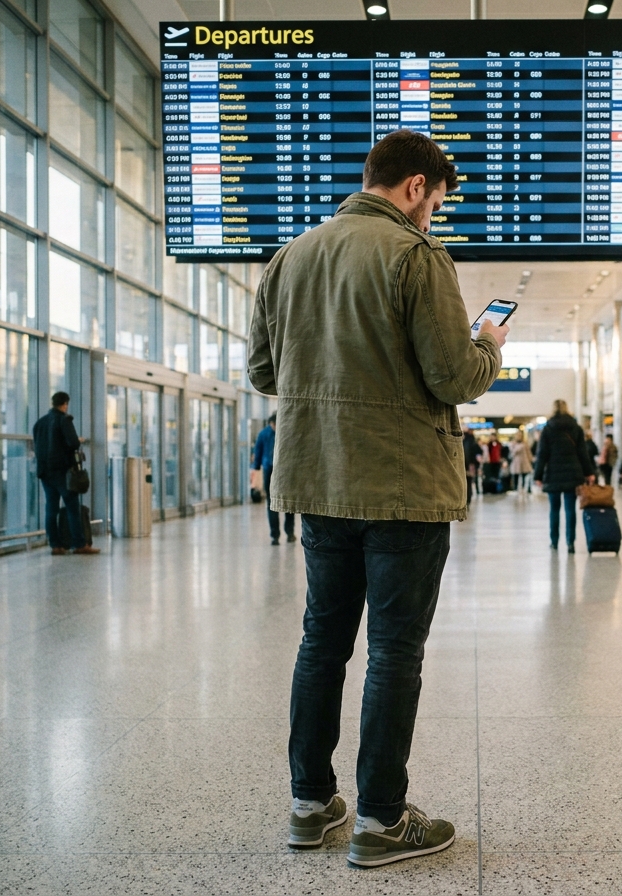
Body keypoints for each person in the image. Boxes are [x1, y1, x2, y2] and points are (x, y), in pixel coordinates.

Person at [247, 128, 506, 865]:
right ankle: (381, 820)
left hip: (318, 481)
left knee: (321, 642)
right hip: (402, 490)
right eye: (437, 201)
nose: (434, 216)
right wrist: (488, 340)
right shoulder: (414, 256)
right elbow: (454, 378)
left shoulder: (289, 256)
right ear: (417, 187)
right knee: (394, 651)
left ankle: (309, 804)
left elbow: (266, 371)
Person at [33, 392, 98, 556]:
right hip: (63, 472)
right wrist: (79, 440)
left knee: (51, 508)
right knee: (72, 507)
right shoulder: (64, 420)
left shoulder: (39, 423)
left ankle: (55, 545)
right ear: (65, 404)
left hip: (45, 472)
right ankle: (79, 544)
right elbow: (73, 443)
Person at [533, 399, 596, 551]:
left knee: (554, 509)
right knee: (570, 509)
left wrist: (538, 476)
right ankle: (570, 542)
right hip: (573, 474)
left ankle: (554, 541)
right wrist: (589, 473)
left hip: (553, 474)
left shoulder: (548, 429)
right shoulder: (576, 428)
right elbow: (583, 453)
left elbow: (542, 454)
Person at [252, 414, 295, 546]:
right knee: (272, 503)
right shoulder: (266, 433)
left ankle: (289, 533)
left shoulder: (283, 431)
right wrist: (256, 469)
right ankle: (276, 535)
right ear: (271, 423)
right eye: (274, 425)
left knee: (288, 502)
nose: (275, 427)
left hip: (284, 469)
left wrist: (257, 466)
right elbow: (257, 452)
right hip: (270, 470)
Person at [509, 430, 533, 494]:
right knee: (516, 475)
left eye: (520, 435)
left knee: (524, 475)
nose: (519, 436)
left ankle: (524, 488)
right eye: (518, 435)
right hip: (516, 462)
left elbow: (528, 452)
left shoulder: (525, 443)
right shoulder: (512, 443)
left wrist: (531, 459)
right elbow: (512, 452)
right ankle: (516, 488)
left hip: (524, 461)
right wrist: (520, 446)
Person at [462, 429, 481, 502]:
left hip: (465, 466)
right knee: (470, 481)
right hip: (472, 466)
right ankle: (469, 496)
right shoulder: (474, 443)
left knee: (466, 482)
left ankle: (467, 497)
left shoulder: (463, 443)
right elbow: (479, 453)